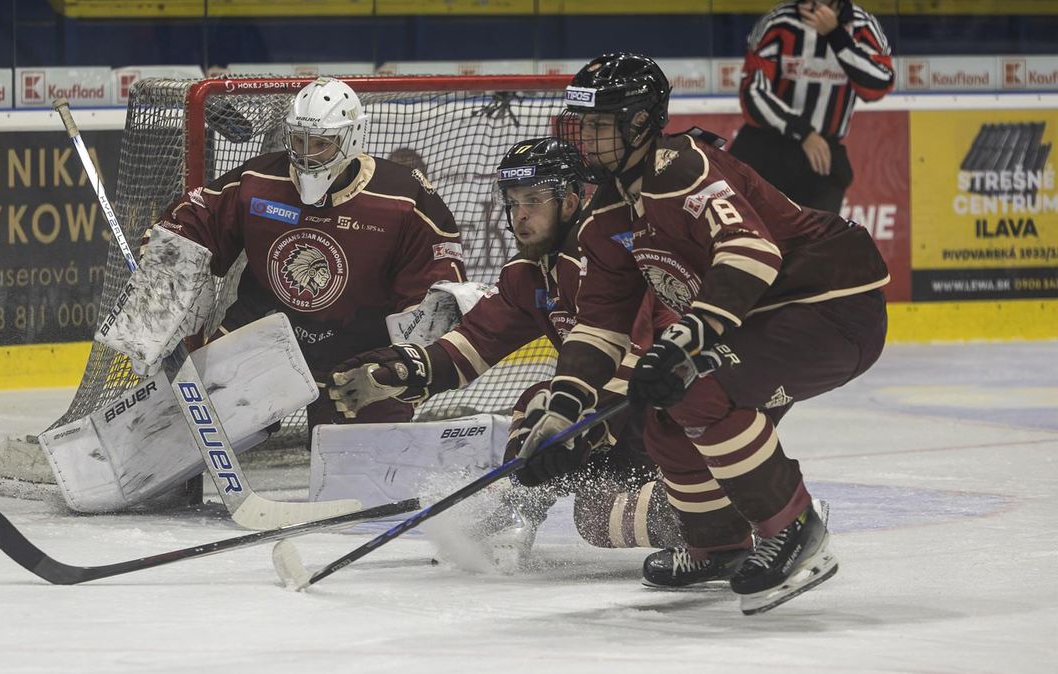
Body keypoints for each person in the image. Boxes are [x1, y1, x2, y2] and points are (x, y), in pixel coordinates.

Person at [518, 52, 888, 614]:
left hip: (831, 307)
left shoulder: (681, 167)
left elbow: (751, 253)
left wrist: (682, 342)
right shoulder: (610, 214)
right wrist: (560, 415)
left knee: (696, 388)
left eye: (599, 125)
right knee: (664, 420)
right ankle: (718, 545)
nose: (585, 139)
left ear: (641, 122)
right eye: (582, 125)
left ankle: (794, 531)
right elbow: (598, 328)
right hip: (770, 317)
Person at [326, 137, 683, 563]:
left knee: (547, 408)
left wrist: (576, 433)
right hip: (621, 421)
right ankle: (525, 510)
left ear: (570, 202)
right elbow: (469, 346)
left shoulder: (610, 260)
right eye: (513, 203)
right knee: (596, 514)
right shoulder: (529, 275)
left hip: (674, 412)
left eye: (533, 200)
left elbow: (631, 362)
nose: (520, 217)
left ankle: (724, 516)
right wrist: (400, 372)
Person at [113, 76, 467, 431]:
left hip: (362, 354)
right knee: (179, 434)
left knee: (363, 476)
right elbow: (193, 221)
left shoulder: (403, 197)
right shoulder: (260, 180)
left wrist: (400, 366)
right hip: (258, 335)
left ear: (352, 138)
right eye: (300, 140)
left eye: (322, 144)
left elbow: (434, 287)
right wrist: (159, 285)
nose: (307, 155)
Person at [729, 0, 895, 213]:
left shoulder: (863, 27)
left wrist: (836, 35)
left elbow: (879, 85)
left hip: (822, 158)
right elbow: (752, 94)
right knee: (745, 239)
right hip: (765, 149)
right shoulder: (778, 22)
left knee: (817, 242)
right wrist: (803, 132)